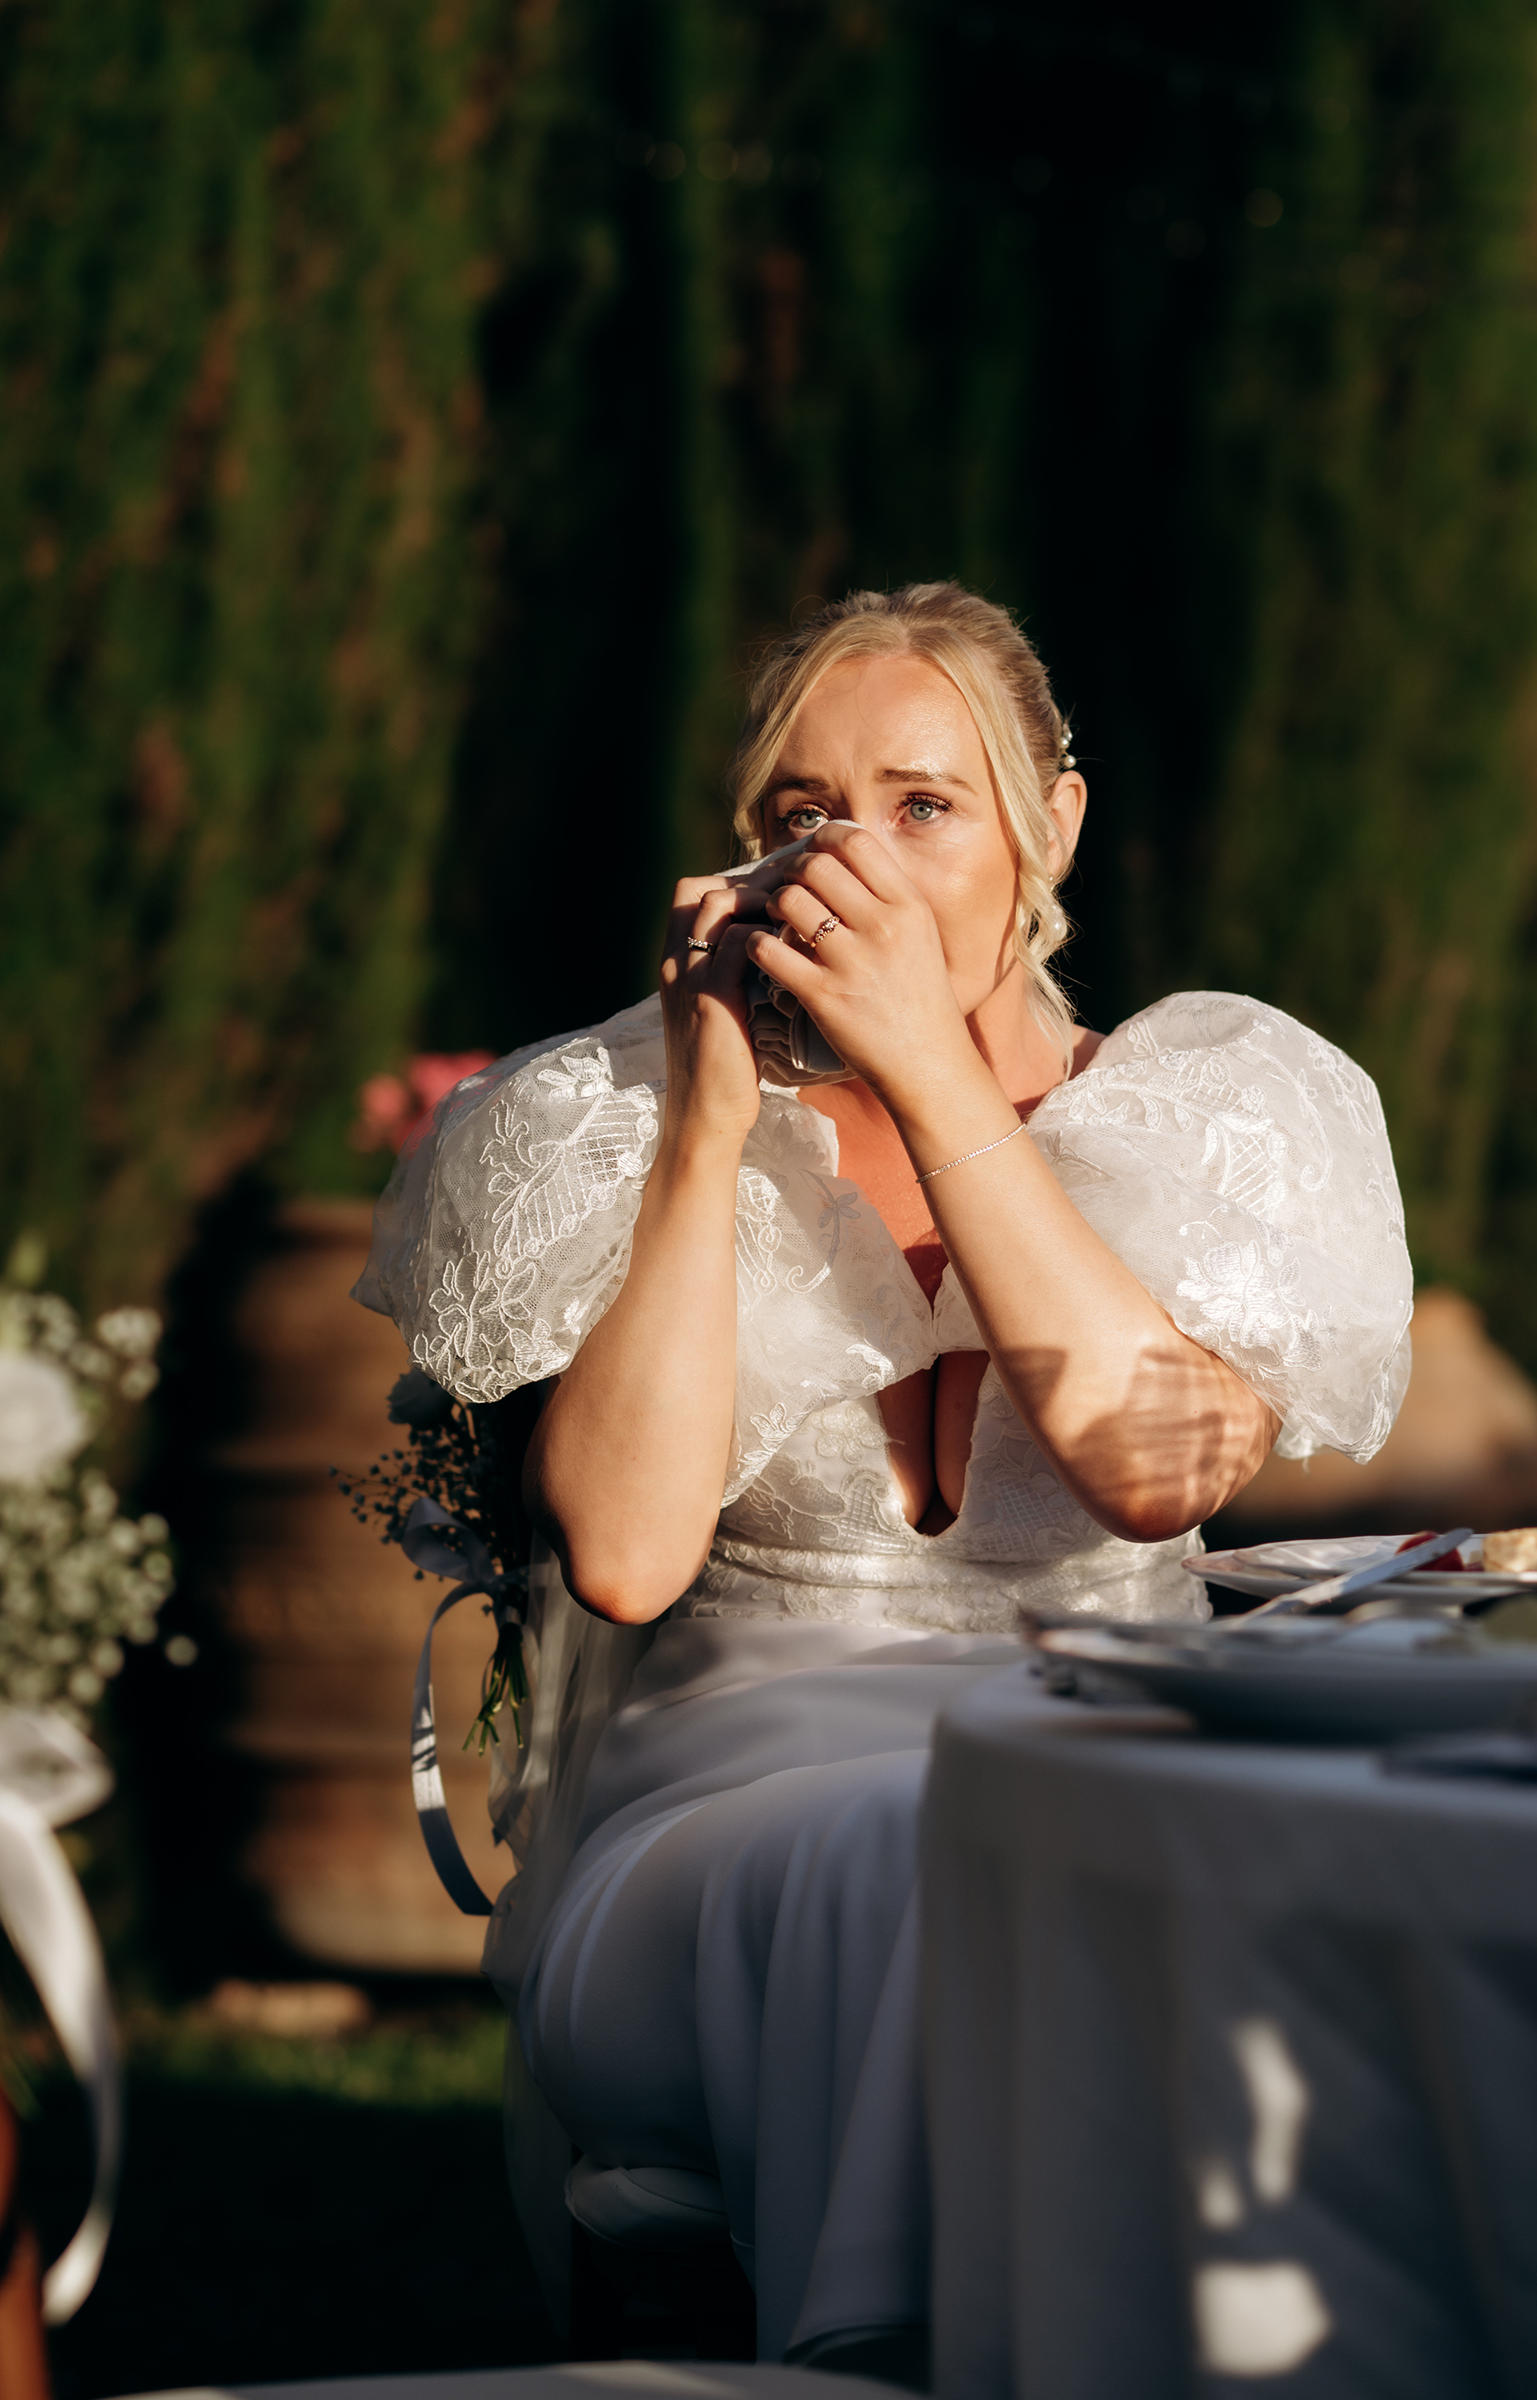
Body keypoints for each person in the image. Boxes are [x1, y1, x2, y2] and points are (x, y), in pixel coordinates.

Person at [358, 583, 1411, 2375]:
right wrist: (703, 1132)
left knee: (1068, 1865)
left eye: (922, 804)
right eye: (803, 813)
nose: (850, 859)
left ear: (1047, 826)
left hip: (1119, 1796)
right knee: (924, 1845)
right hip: (717, 1841)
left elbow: (1153, 1469)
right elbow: (621, 1557)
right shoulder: (603, 1120)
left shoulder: (1213, 1106)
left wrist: (938, 1081)